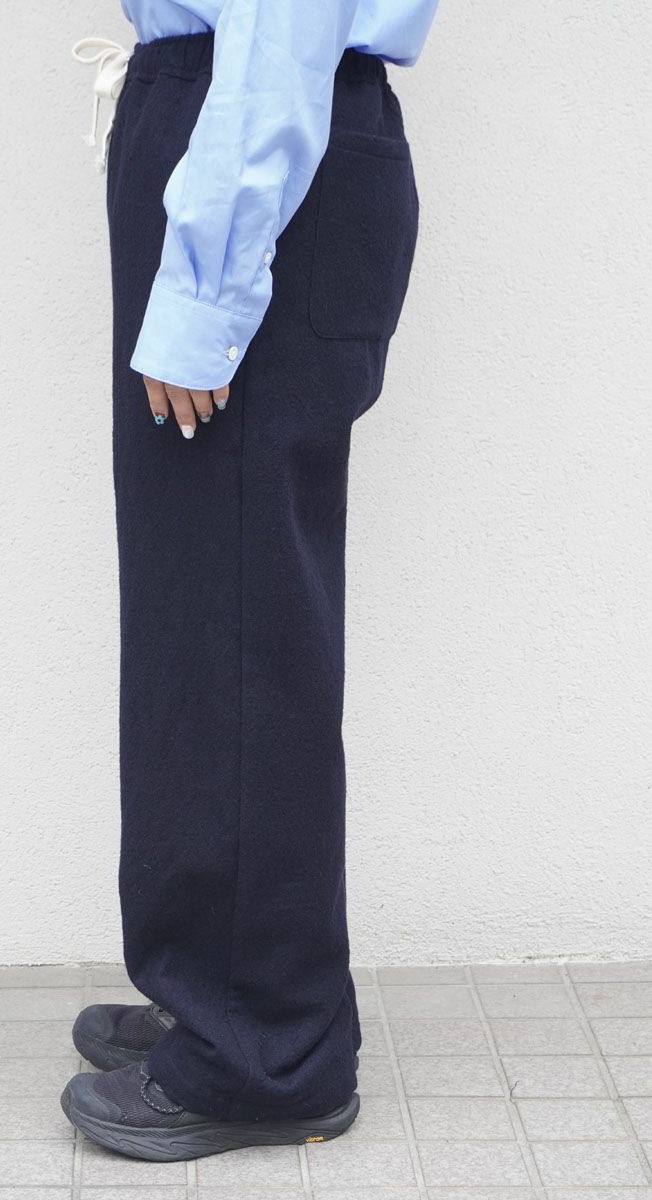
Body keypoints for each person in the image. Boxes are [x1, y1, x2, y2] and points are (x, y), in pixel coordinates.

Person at [64, 0, 438, 1162]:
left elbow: (282, 23)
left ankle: (266, 1050)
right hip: (238, 129)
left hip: (259, 150)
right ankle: (221, 989)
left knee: (236, 625)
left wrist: (204, 286)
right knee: (205, 609)